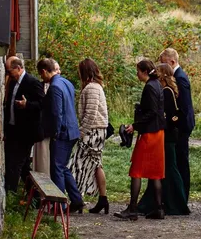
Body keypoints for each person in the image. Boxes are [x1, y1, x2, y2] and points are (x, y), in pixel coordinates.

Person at [116, 59, 165, 221]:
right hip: (158, 133)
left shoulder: (150, 87)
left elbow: (151, 113)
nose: (136, 74)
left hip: (149, 134)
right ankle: (158, 209)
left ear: (144, 72)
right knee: (156, 173)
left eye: (138, 71)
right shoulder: (158, 84)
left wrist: (134, 126)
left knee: (136, 171)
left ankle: (132, 209)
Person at [139, 62, 190, 216]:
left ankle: (178, 203)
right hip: (169, 134)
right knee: (167, 168)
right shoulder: (168, 90)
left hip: (168, 135)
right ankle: (163, 201)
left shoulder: (166, 91)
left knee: (170, 168)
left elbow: (170, 114)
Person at [38, 57, 84, 213]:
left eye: (41, 75)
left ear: (44, 71)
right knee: (63, 167)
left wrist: (55, 132)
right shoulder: (66, 82)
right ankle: (76, 200)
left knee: (56, 168)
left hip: (62, 133)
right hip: (72, 130)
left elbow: (57, 112)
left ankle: (60, 205)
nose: (41, 78)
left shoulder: (55, 87)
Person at [71, 58, 110, 214]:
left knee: (78, 163)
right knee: (96, 163)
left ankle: (77, 199)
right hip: (98, 130)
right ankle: (102, 199)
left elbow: (91, 113)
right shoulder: (95, 86)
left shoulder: (92, 88)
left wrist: (81, 132)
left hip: (93, 131)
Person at [2, 55, 42, 200]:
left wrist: (27, 105)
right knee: (23, 166)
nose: (8, 74)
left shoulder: (32, 82)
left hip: (25, 132)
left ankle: (10, 196)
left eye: (9, 71)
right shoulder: (12, 83)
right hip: (13, 130)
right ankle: (36, 197)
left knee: (15, 164)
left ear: (18, 68)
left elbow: (42, 105)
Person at [158, 48, 195, 200]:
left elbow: (184, 107)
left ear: (172, 62)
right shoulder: (178, 77)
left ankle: (182, 196)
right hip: (179, 125)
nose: (162, 68)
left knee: (181, 161)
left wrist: (176, 124)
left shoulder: (180, 78)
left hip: (181, 127)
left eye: (164, 63)